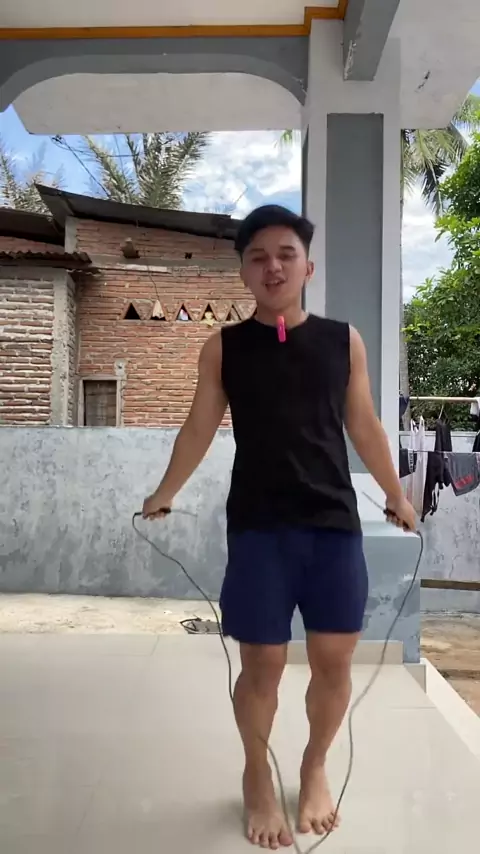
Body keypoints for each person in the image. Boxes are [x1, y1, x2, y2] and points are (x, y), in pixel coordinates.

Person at [143, 205, 417, 850]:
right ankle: (256, 774)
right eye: (258, 257)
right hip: (259, 528)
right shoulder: (224, 348)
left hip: (332, 526)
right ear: (243, 272)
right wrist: (165, 492)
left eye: (286, 255)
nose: (273, 267)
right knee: (261, 662)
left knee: (333, 660)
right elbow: (199, 426)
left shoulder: (343, 342)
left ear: (307, 268)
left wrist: (395, 494)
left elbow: (364, 425)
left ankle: (314, 766)